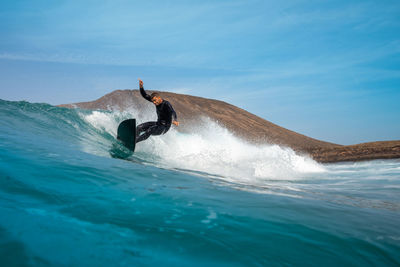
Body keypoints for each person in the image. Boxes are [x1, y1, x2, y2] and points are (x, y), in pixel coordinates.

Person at [135, 79, 179, 143]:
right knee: (139, 127)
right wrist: (141, 87)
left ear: (159, 98)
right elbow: (145, 95)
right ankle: (135, 139)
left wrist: (175, 120)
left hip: (164, 128)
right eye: (153, 101)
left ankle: (135, 141)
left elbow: (173, 112)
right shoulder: (155, 101)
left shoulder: (166, 104)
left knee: (150, 130)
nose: (154, 102)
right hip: (158, 124)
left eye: (155, 100)